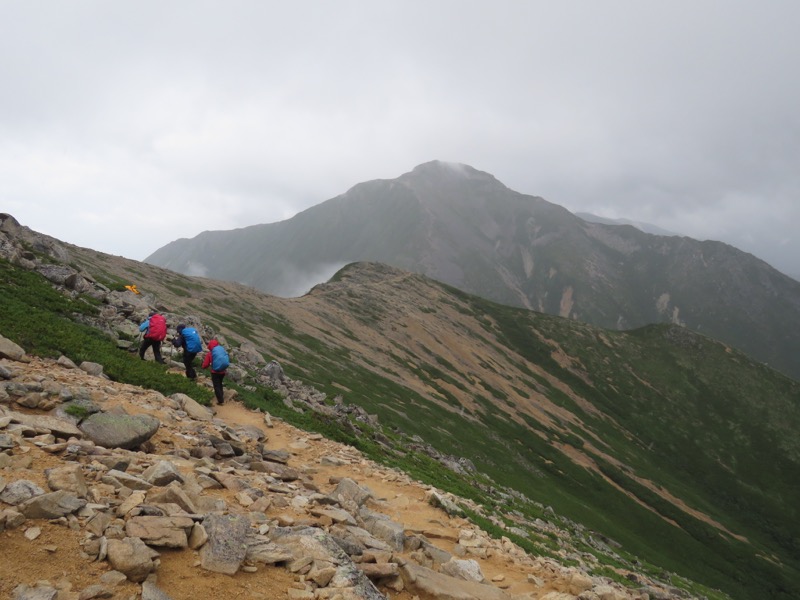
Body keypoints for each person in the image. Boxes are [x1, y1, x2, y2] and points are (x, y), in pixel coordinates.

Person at [202, 339, 230, 404]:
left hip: (215, 372)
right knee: (220, 383)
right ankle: (221, 396)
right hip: (223, 371)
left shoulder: (210, 354)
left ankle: (220, 401)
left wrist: (203, 367)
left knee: (216, 385)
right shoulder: (222, 350)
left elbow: (205, 364)